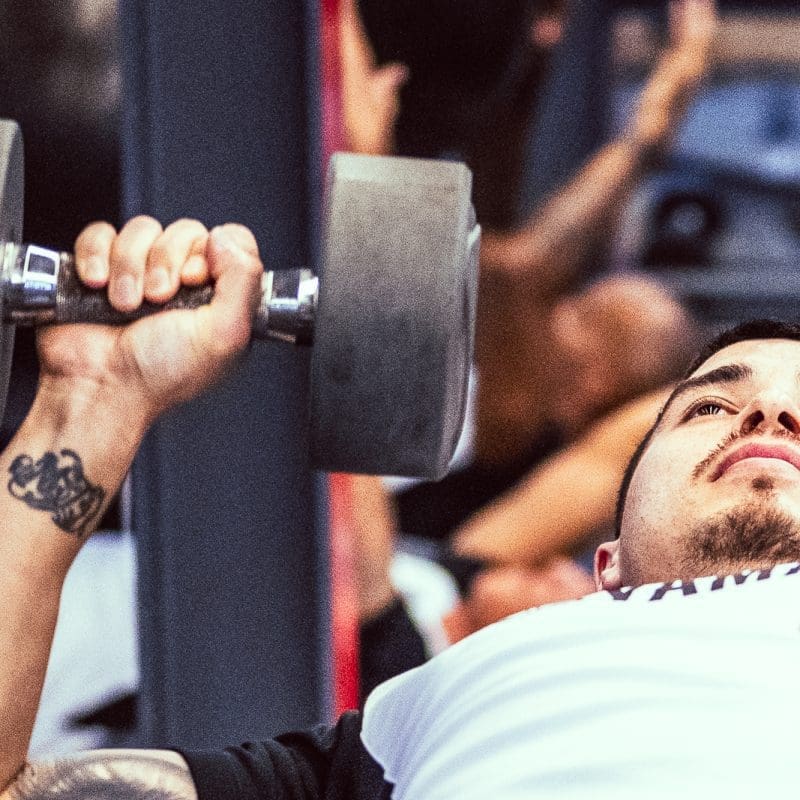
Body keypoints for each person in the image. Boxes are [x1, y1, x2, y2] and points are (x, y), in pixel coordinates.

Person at [5, 221, 800, 796]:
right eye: (705, 410)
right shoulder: (412, 726)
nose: (769, 416)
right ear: (608, 570)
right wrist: (90, 402)